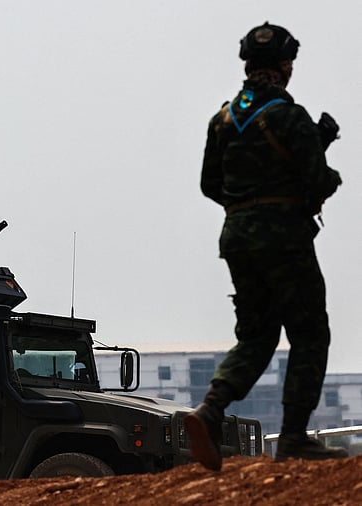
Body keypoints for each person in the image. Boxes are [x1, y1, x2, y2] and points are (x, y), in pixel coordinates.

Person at [187, 22, 346, 471]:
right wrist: (319, 168)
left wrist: (246, 208)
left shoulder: (222, 118)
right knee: (310, 333)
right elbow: (319, 180)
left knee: (256, 336)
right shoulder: (288, 116)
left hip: (236, 237)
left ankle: (210, 409)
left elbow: (209, 184)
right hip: (284, 240)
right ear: (282, 67)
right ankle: (294, 437)